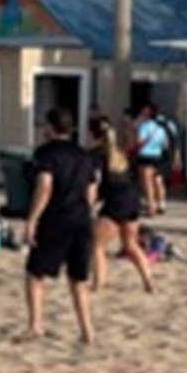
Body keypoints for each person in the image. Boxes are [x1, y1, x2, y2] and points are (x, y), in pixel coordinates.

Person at [18, 108, 99, 345]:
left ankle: (36, 325)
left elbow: (45, 187)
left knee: (35, 273)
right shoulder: (84, 155)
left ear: (51, 128)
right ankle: (87, 331)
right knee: (78, 279)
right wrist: (84, 211)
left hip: (57, 219)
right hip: (82, 219)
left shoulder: (46, 153)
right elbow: (92, 191)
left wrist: (32, 220)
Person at [88, 117, 154, 294]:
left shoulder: (96, 155)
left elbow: (94, 183)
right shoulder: (118, 153)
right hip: (132, 199)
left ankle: (98, 284)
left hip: (115, 202)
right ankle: (147, 279)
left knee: (97, 245)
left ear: (91, 134)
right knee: (131, 244)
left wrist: (88, 205)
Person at [131, 104, 169, 217]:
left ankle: (151, 208)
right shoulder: (160, 129)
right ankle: (159, 203)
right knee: (156, 180)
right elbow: (165, 144)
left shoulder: (144, 127)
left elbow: (139, 140)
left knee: (147, 184)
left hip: (145, 155)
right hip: (157, 156)